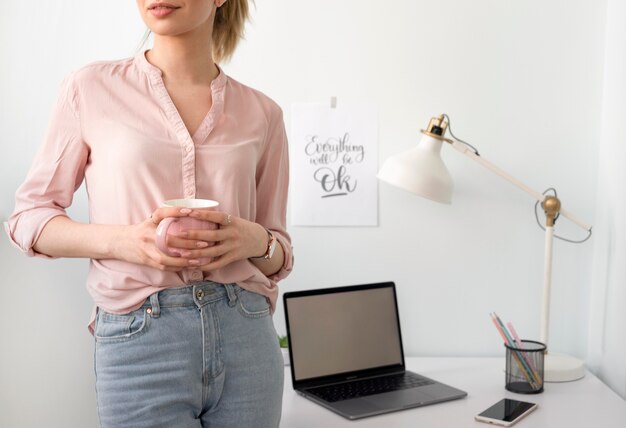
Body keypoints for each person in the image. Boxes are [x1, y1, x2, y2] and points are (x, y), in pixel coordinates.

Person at [4, 0, 293, 426]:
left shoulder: (264, 114)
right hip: (139, 338)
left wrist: (256, 241)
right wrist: (126, 243)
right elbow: (28, 219)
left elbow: (280, 253)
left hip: (246, 334)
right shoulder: (90, 89)